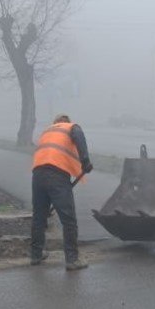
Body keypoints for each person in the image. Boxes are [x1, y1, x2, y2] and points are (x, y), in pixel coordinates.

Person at [30, 114, 93, 270]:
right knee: (68, 219)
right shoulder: (71, 127)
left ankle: (36, 255)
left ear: (55, 123)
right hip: (57, 175)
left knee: (39, 216)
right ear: (66, 122)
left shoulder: (47, 131)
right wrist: (85, 161)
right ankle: (72, 259)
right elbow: (78, 135)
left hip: (38, 175)